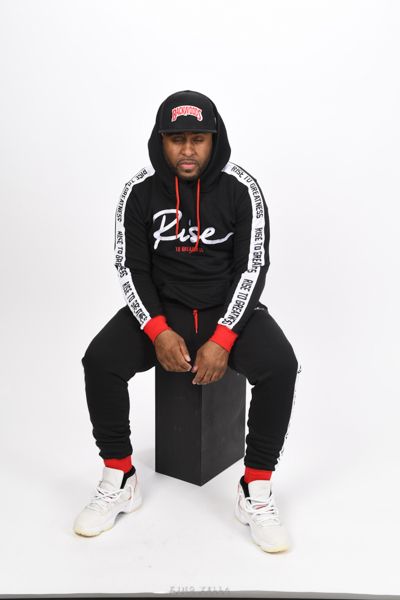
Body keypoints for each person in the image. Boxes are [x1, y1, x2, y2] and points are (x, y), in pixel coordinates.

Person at [73, 90, 301, 553]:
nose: (188, 150)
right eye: (177, 139)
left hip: (227, 308)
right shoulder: (138, 190)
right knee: (100, 359)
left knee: (280, 364)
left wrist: (224, 337)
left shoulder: (241, 187)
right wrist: (156, 330)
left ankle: (255, 487)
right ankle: (120, 475)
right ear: (161, 141)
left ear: (215, 140)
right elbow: (130, 268)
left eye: (199, 139)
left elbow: (252, 267)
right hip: (165, 308)